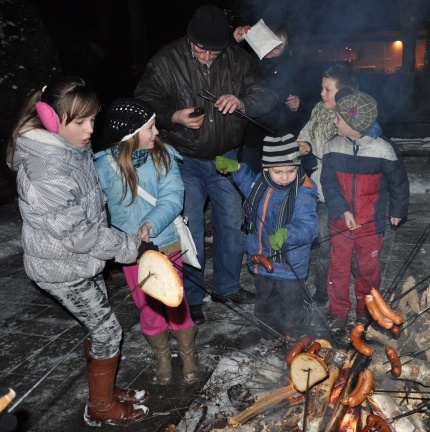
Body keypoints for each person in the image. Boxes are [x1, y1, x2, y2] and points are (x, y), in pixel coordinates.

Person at [6, 76, 151, 426]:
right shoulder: (47, 167)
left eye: (92, 120)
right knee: (107, 332)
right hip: (61, 267)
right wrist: (128, 246)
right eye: (80, 121)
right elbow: (78, 234)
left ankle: (103, 392)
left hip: (80, 263)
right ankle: (100, 407)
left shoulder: (67, 147)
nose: (90, 130)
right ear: (52, 120)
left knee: (98, 329)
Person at [134, 5, 278, 325]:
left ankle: (227, 287)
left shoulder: (237, 59)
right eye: (200, 49)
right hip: (185, 158)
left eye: (213, 51)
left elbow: (265, 95)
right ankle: (194, 297)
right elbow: (144, 102)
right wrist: (173, 117)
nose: (206, 57)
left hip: (227, 156)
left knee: (230, 224)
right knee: (192, 228)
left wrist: (242, 102)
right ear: (190, 39)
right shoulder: (166, 60)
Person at [94, 98, 199, 385]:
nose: (156, 132)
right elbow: (96, 208)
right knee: (147, 305)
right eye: (150, 128)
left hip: (164, 242)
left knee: (174, 300)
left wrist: (151, 223)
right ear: (129, 134)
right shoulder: (102, 166)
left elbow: (173, 195)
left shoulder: (162, 156)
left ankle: (188, 353)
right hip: (131, 252)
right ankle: (163, 357)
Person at [321, 91, 409, 333]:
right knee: (337, 270)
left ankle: (365, 312)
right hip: (340, 224)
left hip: (371, 225)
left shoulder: (383, 149)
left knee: (367, 271)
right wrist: (341, 210)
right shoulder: (332, 147)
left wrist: (398, 209)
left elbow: (398, 182)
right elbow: (328, 183)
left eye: (338, 118)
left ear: (353, 123)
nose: (334, 121)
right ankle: (338, 313)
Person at [214, 137, 318, 343]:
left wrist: (287, 233)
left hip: (290, 265)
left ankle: (297, 335)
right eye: (278, 172)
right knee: (265, 302)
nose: (285, 177)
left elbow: (309, 227)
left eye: (291, 170)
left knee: (291, 303)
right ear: (266, 169)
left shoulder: (303, 191)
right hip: (261, 260)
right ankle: (270, 335)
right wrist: (236, 168)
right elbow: (247, 184)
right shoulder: (261, 184)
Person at [296, 64, 382, 307]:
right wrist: (304, 142)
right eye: (322, 87)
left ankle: (368, 293)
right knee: (325, 245)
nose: (322, 93)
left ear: (344, 93)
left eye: (328, 89)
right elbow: (308, 130)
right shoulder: (318, 110)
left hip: (349, 193)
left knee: (354, 248)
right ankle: (323, 290)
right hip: (323, 191)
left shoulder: (353, 120)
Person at [233, 23, 304, 173]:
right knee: (249, 179)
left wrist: (296, 105)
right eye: (268, 46)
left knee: (277, 181)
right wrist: (235, 42)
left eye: (277, 48)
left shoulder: (290, 66)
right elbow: (228, 63)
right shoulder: (249, 59)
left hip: (277, 135)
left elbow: (299, 96)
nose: (271, 52)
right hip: (249, 135)